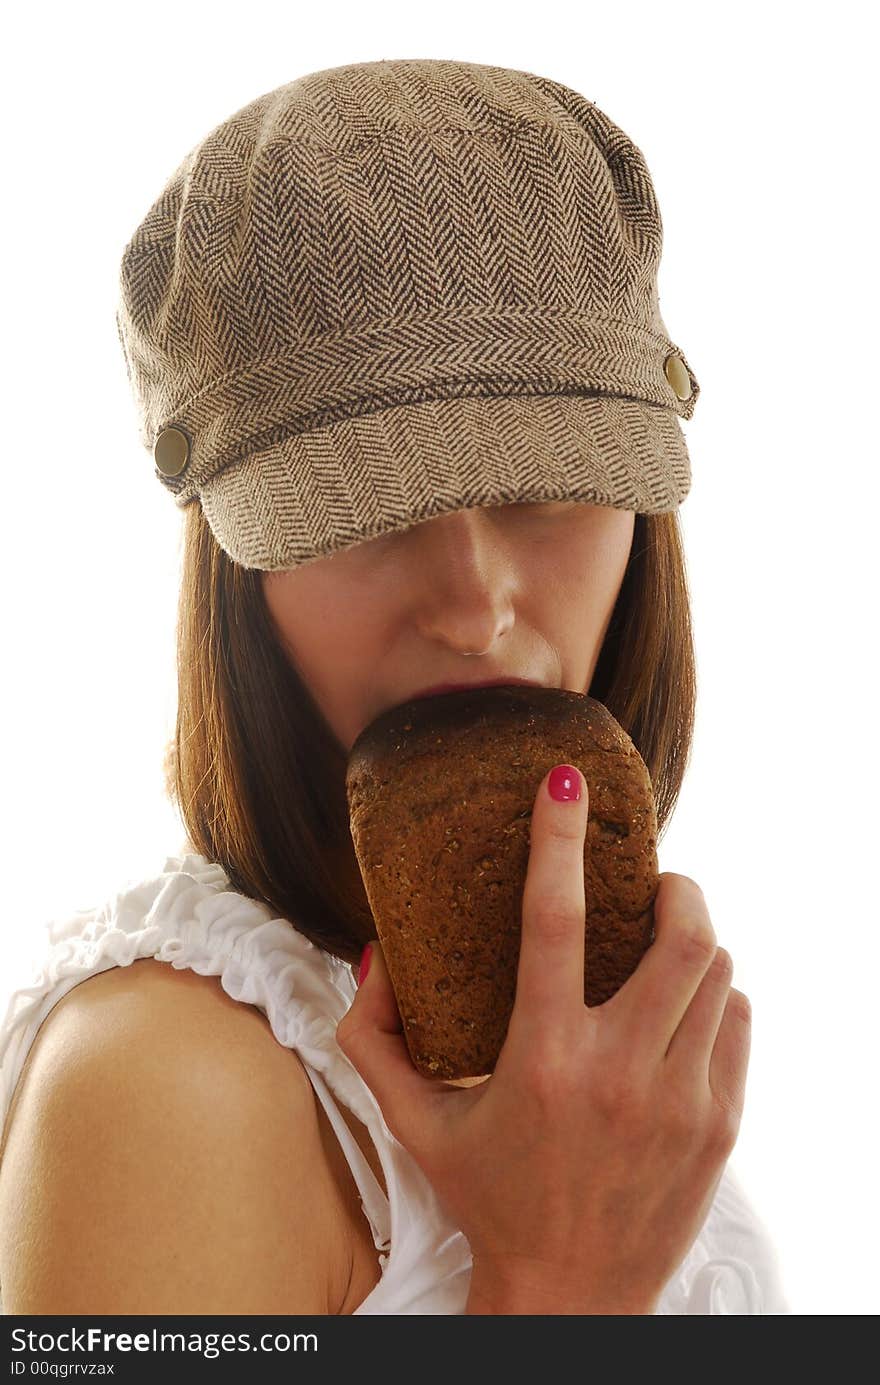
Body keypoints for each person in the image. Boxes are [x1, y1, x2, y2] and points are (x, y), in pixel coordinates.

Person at [0, 58, 790, 1315]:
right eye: (366, 512)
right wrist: (558, 1280)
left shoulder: (584, 1072)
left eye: (546, 491)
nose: (474, 607)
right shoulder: (156, 1088)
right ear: (234, 574)